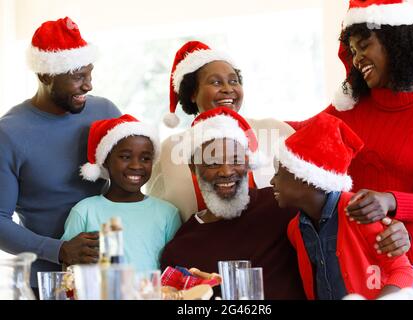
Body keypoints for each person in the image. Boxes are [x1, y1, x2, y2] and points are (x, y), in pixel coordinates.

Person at [318, 0, 413, 300]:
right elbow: (300, 133)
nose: (357, 58)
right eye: (352, 51)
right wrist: (236, 124)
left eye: (364, 46)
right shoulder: (348, 110)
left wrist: (387, 200)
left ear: (395, 43)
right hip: (353, 262)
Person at [0, 17, 121, 291]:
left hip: (110, 275)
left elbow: (132, 181)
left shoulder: (106, 112)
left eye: (89, 74)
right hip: (47, 283)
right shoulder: (8, 134)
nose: (88, 86)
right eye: (78, 76)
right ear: (46, 75)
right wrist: (59, 250)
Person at [160, 107, 305, 299]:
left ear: (247, 161)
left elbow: (334, 212)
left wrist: (355, 205)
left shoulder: (282, 205)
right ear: (193, 168)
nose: (226, 171)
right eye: (213, 163)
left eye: (235, 159)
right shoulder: (179, 250)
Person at [270, 112, 413, 300]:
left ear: (305, 178)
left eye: (278, 174)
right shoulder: (295, 230)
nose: (272, 181)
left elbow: (403, 271)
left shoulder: (359, 211)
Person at [147, 40, 295, 221]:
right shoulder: (169, 149)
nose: (228, 89)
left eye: (234, 81)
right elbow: (158, 214)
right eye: (216, 82)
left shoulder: (276, 130)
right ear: (192, 93)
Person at [61, 114, 181, 272]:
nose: (136, 166)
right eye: (125, 157)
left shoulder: (168, 213)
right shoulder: (84, 211)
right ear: (105, 160)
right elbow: (68, 268)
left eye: (145, 158)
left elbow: (174, 271)